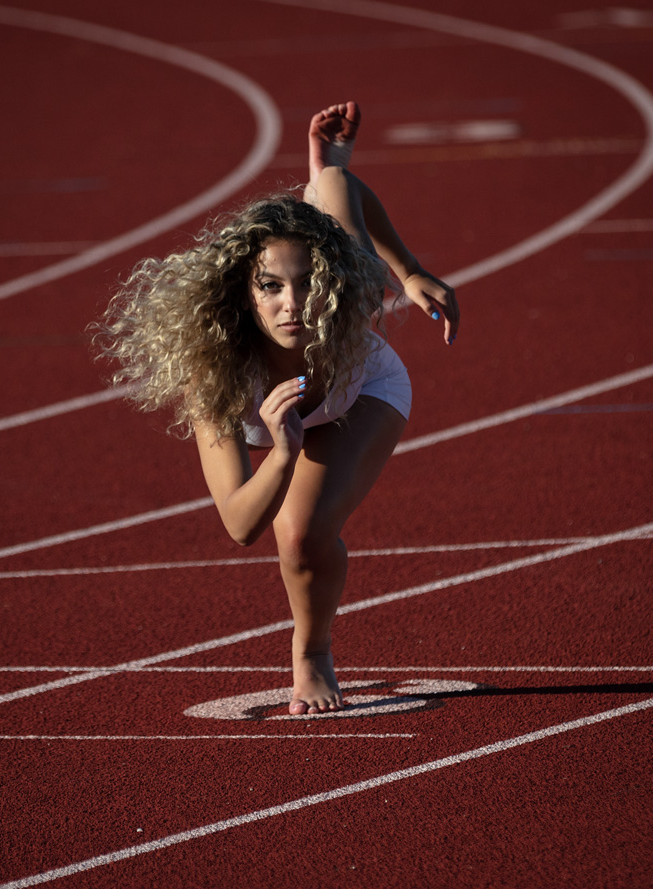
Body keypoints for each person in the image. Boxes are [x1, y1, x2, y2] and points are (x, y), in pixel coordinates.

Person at [94, 102, 459, 715]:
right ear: (244, 291)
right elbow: (238, 525)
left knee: (303, 535)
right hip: (278, 426)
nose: (294, 303)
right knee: (274, 527)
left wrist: (411, 268)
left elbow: (346, 191)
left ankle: (312, 652)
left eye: (308, 281)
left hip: (360, 387)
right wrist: (284, 450)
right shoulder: (214, 371)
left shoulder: (347, 299)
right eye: (271, 286)